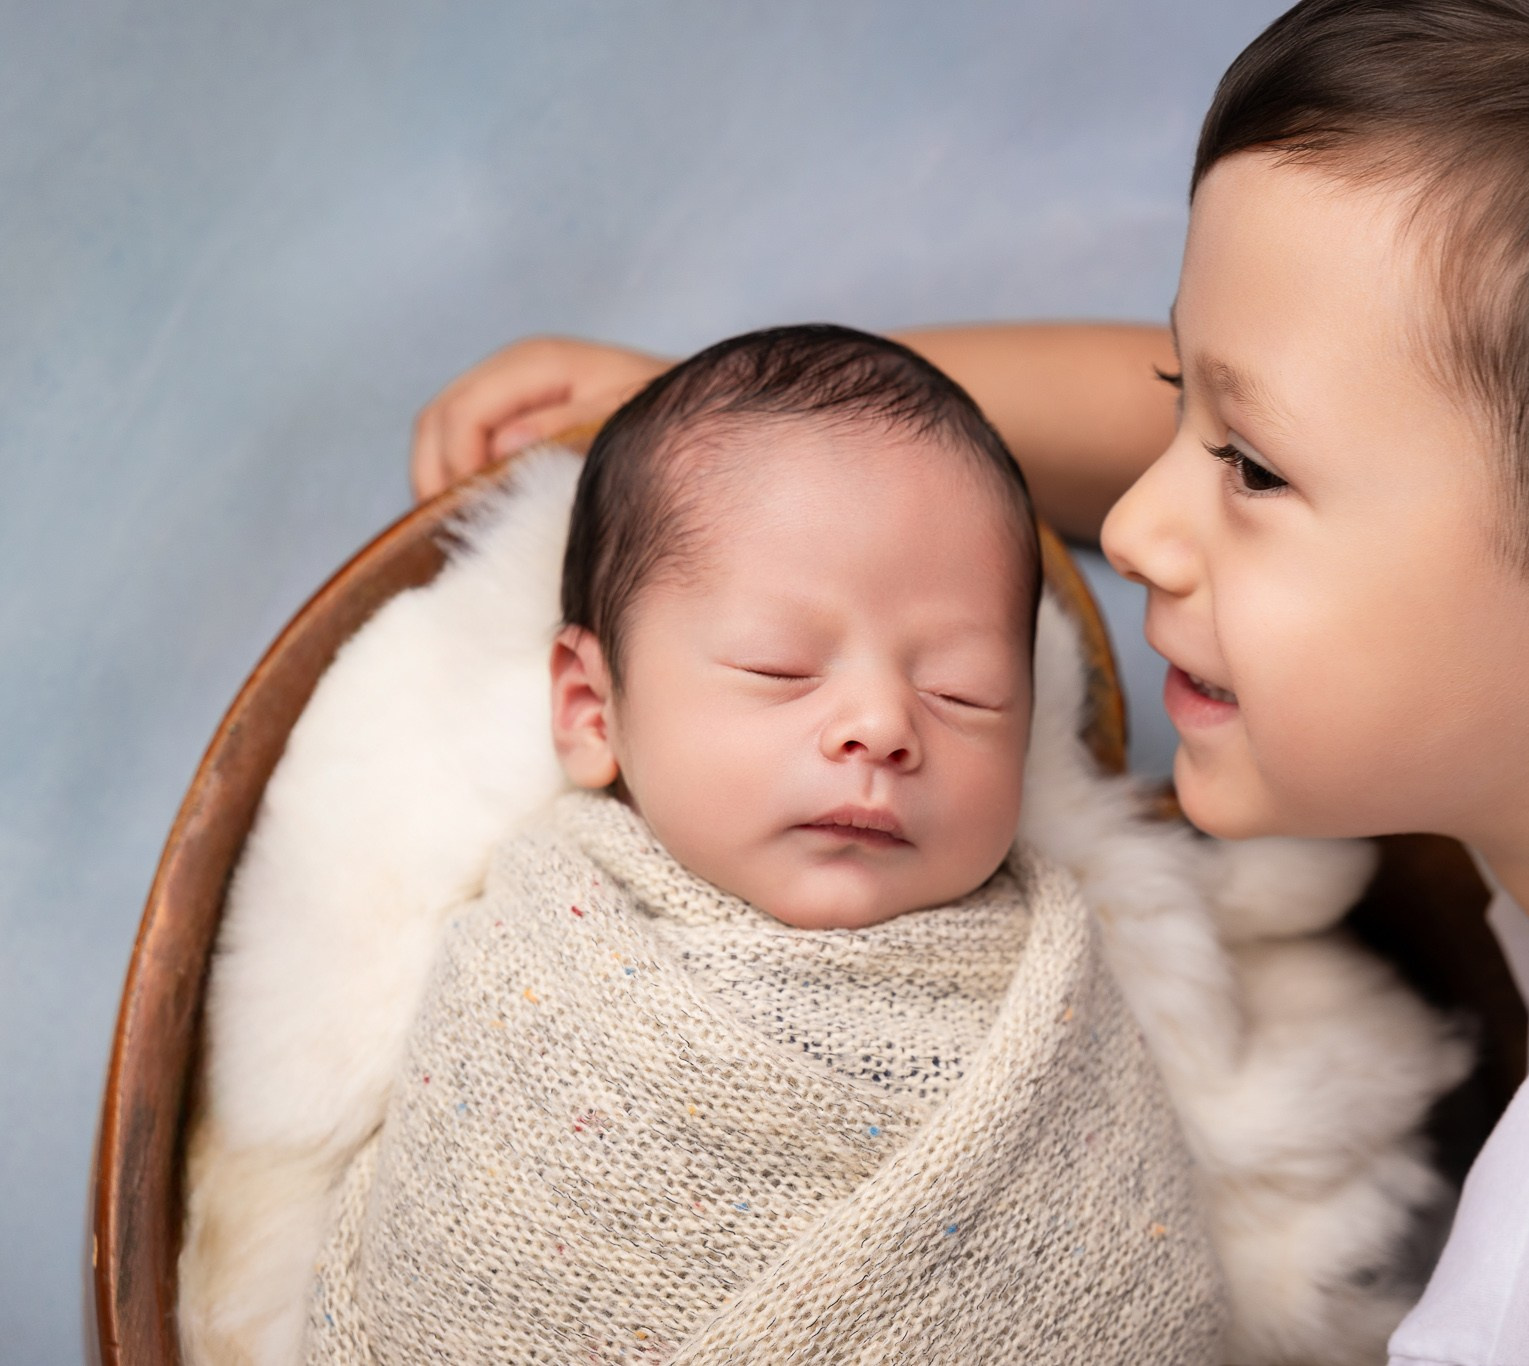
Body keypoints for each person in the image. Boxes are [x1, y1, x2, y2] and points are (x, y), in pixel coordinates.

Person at [410, 2, 1529, 1359]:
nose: (1132, 526)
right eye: (1177, 398)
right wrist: (747, 429)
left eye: (1246, 467)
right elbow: (1277, 450)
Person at [305, 324, 1229, 1363]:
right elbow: (456, 1274)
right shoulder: (532, 965)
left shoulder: (1056, 1001)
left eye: (961, 689)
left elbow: (1131, 1293)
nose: (882, 724)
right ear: (589, 708)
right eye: (779, 666)